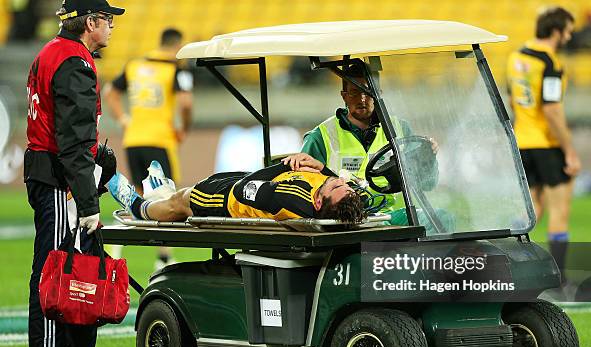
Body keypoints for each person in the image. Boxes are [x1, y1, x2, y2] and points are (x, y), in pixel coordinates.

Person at [24, 0, 124, 347]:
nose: (113, 25)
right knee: (56, 279)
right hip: (60, 183)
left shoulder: (54, 52)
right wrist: (87, 203)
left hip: (52, 175)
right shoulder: (73, 61)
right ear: (91, 22)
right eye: (109, 19)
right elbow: (72, 143)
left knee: (78, 274)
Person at [301, 64, 440, 227]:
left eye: (368, 92)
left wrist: (428, 159)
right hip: (345, 220)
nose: (362, 99)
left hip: (388, 216)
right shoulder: (320, 137)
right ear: (344, 96)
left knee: (440, 218)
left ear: (378, 94)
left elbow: (427, 183)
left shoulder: (399, 128)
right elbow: (307, 189)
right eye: (354, 92)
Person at [103, 27, 194, 269]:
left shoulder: (135, 65)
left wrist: (123, 119)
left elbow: (109, 92)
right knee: (167, 197)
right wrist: (184, 126)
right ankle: (164, 257)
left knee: (138, 195)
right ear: (177, 45)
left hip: (133, 140)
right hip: (159, 139)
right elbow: (186, 102)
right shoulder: (176, 68)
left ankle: (119, 244)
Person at [507, 6, 581, 277]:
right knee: (560, 211)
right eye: (568, 31)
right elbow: (551, 109)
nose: (569, 38)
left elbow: (512, 100)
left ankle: (510, 264)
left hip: (522, 142)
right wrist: (570, 151)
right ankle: (560, 278)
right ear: (556, 30)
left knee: (532, 209)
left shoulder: (515, 58)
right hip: (546, 144)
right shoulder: (550, 63)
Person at [107, 153, 365, 224]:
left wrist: (284, 166)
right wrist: (320, 167)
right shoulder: (333, 199)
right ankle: (158, 192)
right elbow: (345, 190)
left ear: (319, 203)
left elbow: (245, 190)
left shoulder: (291, 197)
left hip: (229, 200)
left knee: (182, 202)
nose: (340, 180)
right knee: (186, 193)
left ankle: (141, 206)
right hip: (247, 182)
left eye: (337, 185)